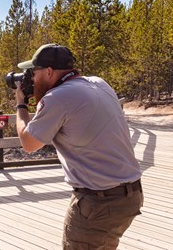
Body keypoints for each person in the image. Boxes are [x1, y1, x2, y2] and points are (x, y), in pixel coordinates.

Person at [14, 43, 143, 249]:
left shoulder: (58, 98)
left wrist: (21, 105)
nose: (30, 79)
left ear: (48, 72)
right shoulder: (99, 83)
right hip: (130, 196)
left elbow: (29, 143)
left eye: (32, 72)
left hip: (99, 203)